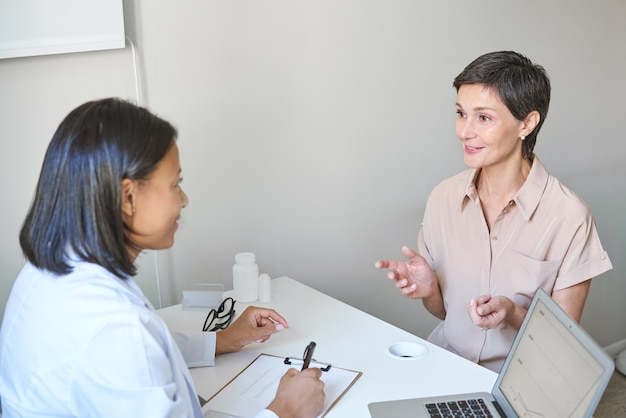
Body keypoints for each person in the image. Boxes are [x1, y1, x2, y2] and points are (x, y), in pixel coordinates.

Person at [0, 98, 325, 417]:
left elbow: (141, 355)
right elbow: (128, 347)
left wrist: (223, 340)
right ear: (128, 197)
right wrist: (286, 411)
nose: (184, 199)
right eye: (175, 183)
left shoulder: (51, 268)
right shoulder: (113, 328)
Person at [375, 51, 612, 372]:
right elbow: (446, 314)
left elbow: (564, 341)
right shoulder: (443, 198)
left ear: (526, 123)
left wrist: (513, 314)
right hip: (446, 362)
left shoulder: (569, 216)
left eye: (483, 117)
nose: (464, 131)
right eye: (461, 113)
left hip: (517, 381)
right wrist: (430, 290)